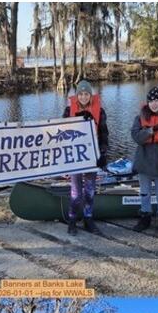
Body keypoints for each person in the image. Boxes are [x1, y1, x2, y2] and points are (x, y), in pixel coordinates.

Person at [61, 80, 110, 235]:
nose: (83, 97)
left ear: (91, 95)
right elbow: (60, 133)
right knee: (76, 194)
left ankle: (88, 219)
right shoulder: (68, 111)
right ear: (77, 96)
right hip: (75, 158)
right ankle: (72, 220)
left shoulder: (100, 112)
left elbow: (104, 135)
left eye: (86, 94)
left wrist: (103, 154)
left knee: (89, 192)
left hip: (92, 157)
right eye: (80, 94)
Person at [131, 86, 158, 235]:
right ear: (147, 102)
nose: (154, 104)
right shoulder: (139, 118)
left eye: (157, 100)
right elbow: (136, 137)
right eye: (151, 101)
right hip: (144, 163)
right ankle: (145, 218)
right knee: (145, 193)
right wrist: (152, 130)